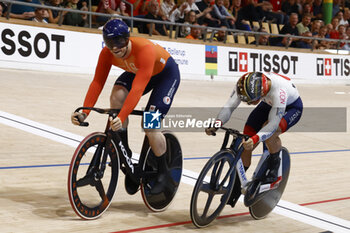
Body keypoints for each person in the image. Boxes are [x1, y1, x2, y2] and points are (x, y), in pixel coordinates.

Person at [71, 19, 181, 194]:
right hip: (140, 72)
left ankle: (163, 173)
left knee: (149, 124)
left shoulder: (144, 50)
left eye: (120, 41)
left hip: (166, 75)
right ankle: (125, 151)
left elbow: (137, 89)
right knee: (116, 95)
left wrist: (121, 117)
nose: (116, 47)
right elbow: (97, 83)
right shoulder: (107, 54)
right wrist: (85, 112)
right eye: (110, 43)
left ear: (128, 38)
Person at [206, 71, 303, 208]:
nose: (248, 103)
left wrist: (257, 137)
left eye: (250, 101)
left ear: (260, 94)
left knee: (270, 132)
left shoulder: (279, 92)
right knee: (246, 142)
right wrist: (217, 124)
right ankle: (236, 187)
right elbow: (229, 107)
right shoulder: (243, 84)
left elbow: (273, 124)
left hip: (291, 107)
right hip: (268, 103)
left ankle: (275, 168)